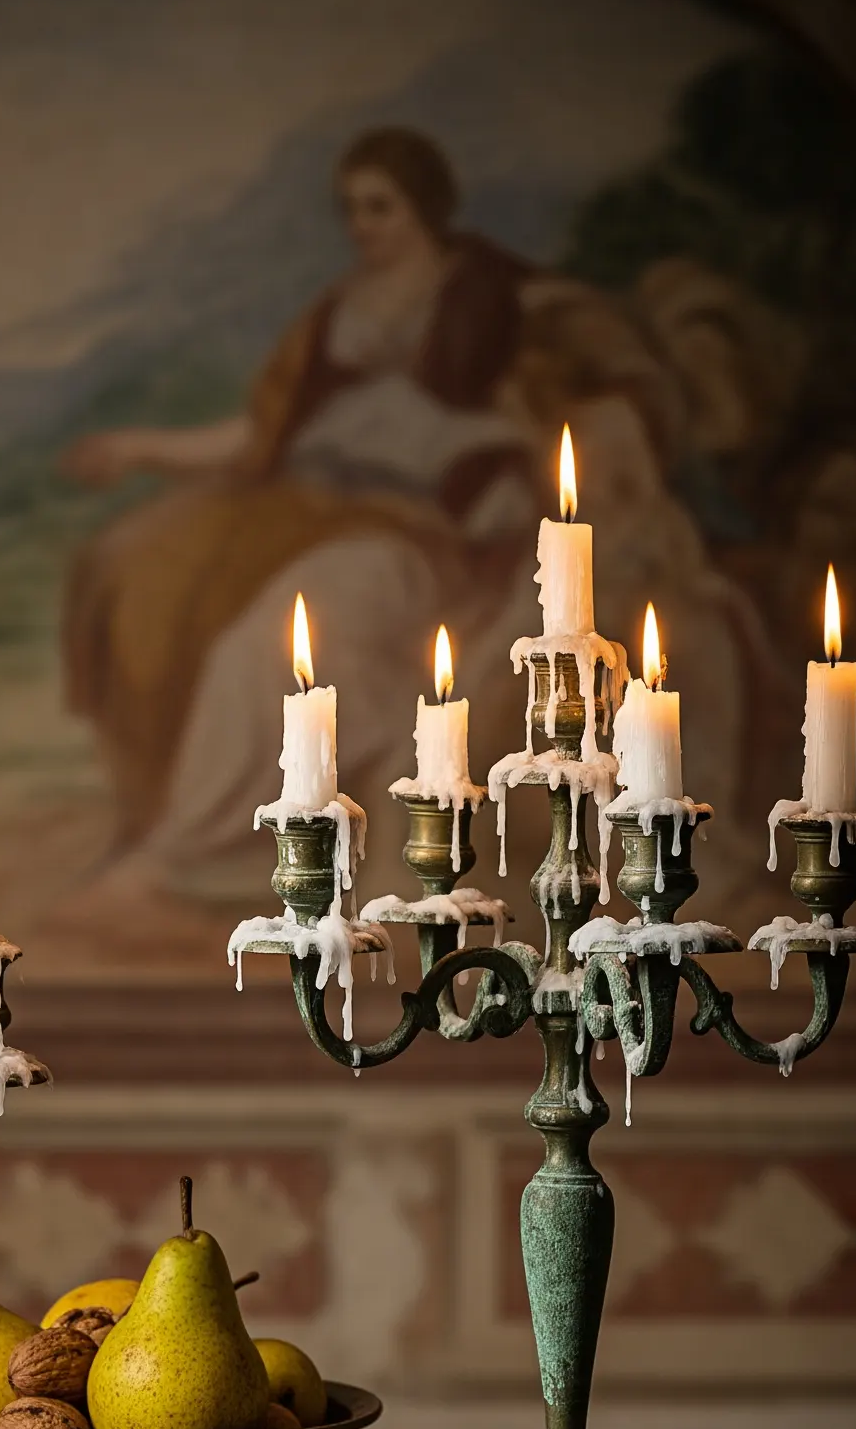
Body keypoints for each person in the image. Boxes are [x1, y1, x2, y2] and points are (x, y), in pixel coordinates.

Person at [57, 127, 540, 933]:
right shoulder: (338, 311)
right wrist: (140, 447)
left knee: (268, 641)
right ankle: (168, 823)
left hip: (411, 524)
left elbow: (543, 417)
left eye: (379, 207)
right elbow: (261, 435)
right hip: (307, 506)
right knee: (138, 570)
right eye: (351, 209)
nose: (362, 226)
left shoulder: (493, 296)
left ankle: (198, 855)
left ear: (426, 206)